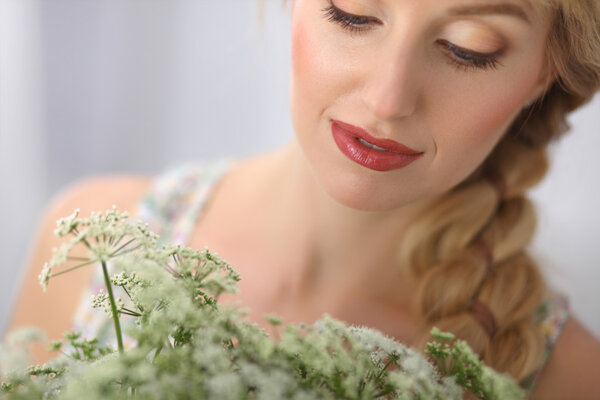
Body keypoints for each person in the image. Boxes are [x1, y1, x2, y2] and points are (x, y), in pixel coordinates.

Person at [8, 0, 600, 398]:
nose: (388, 98)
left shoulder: (564, 375)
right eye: (354, 13)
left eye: (469, 49)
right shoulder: (92, 248)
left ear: (544, 73)